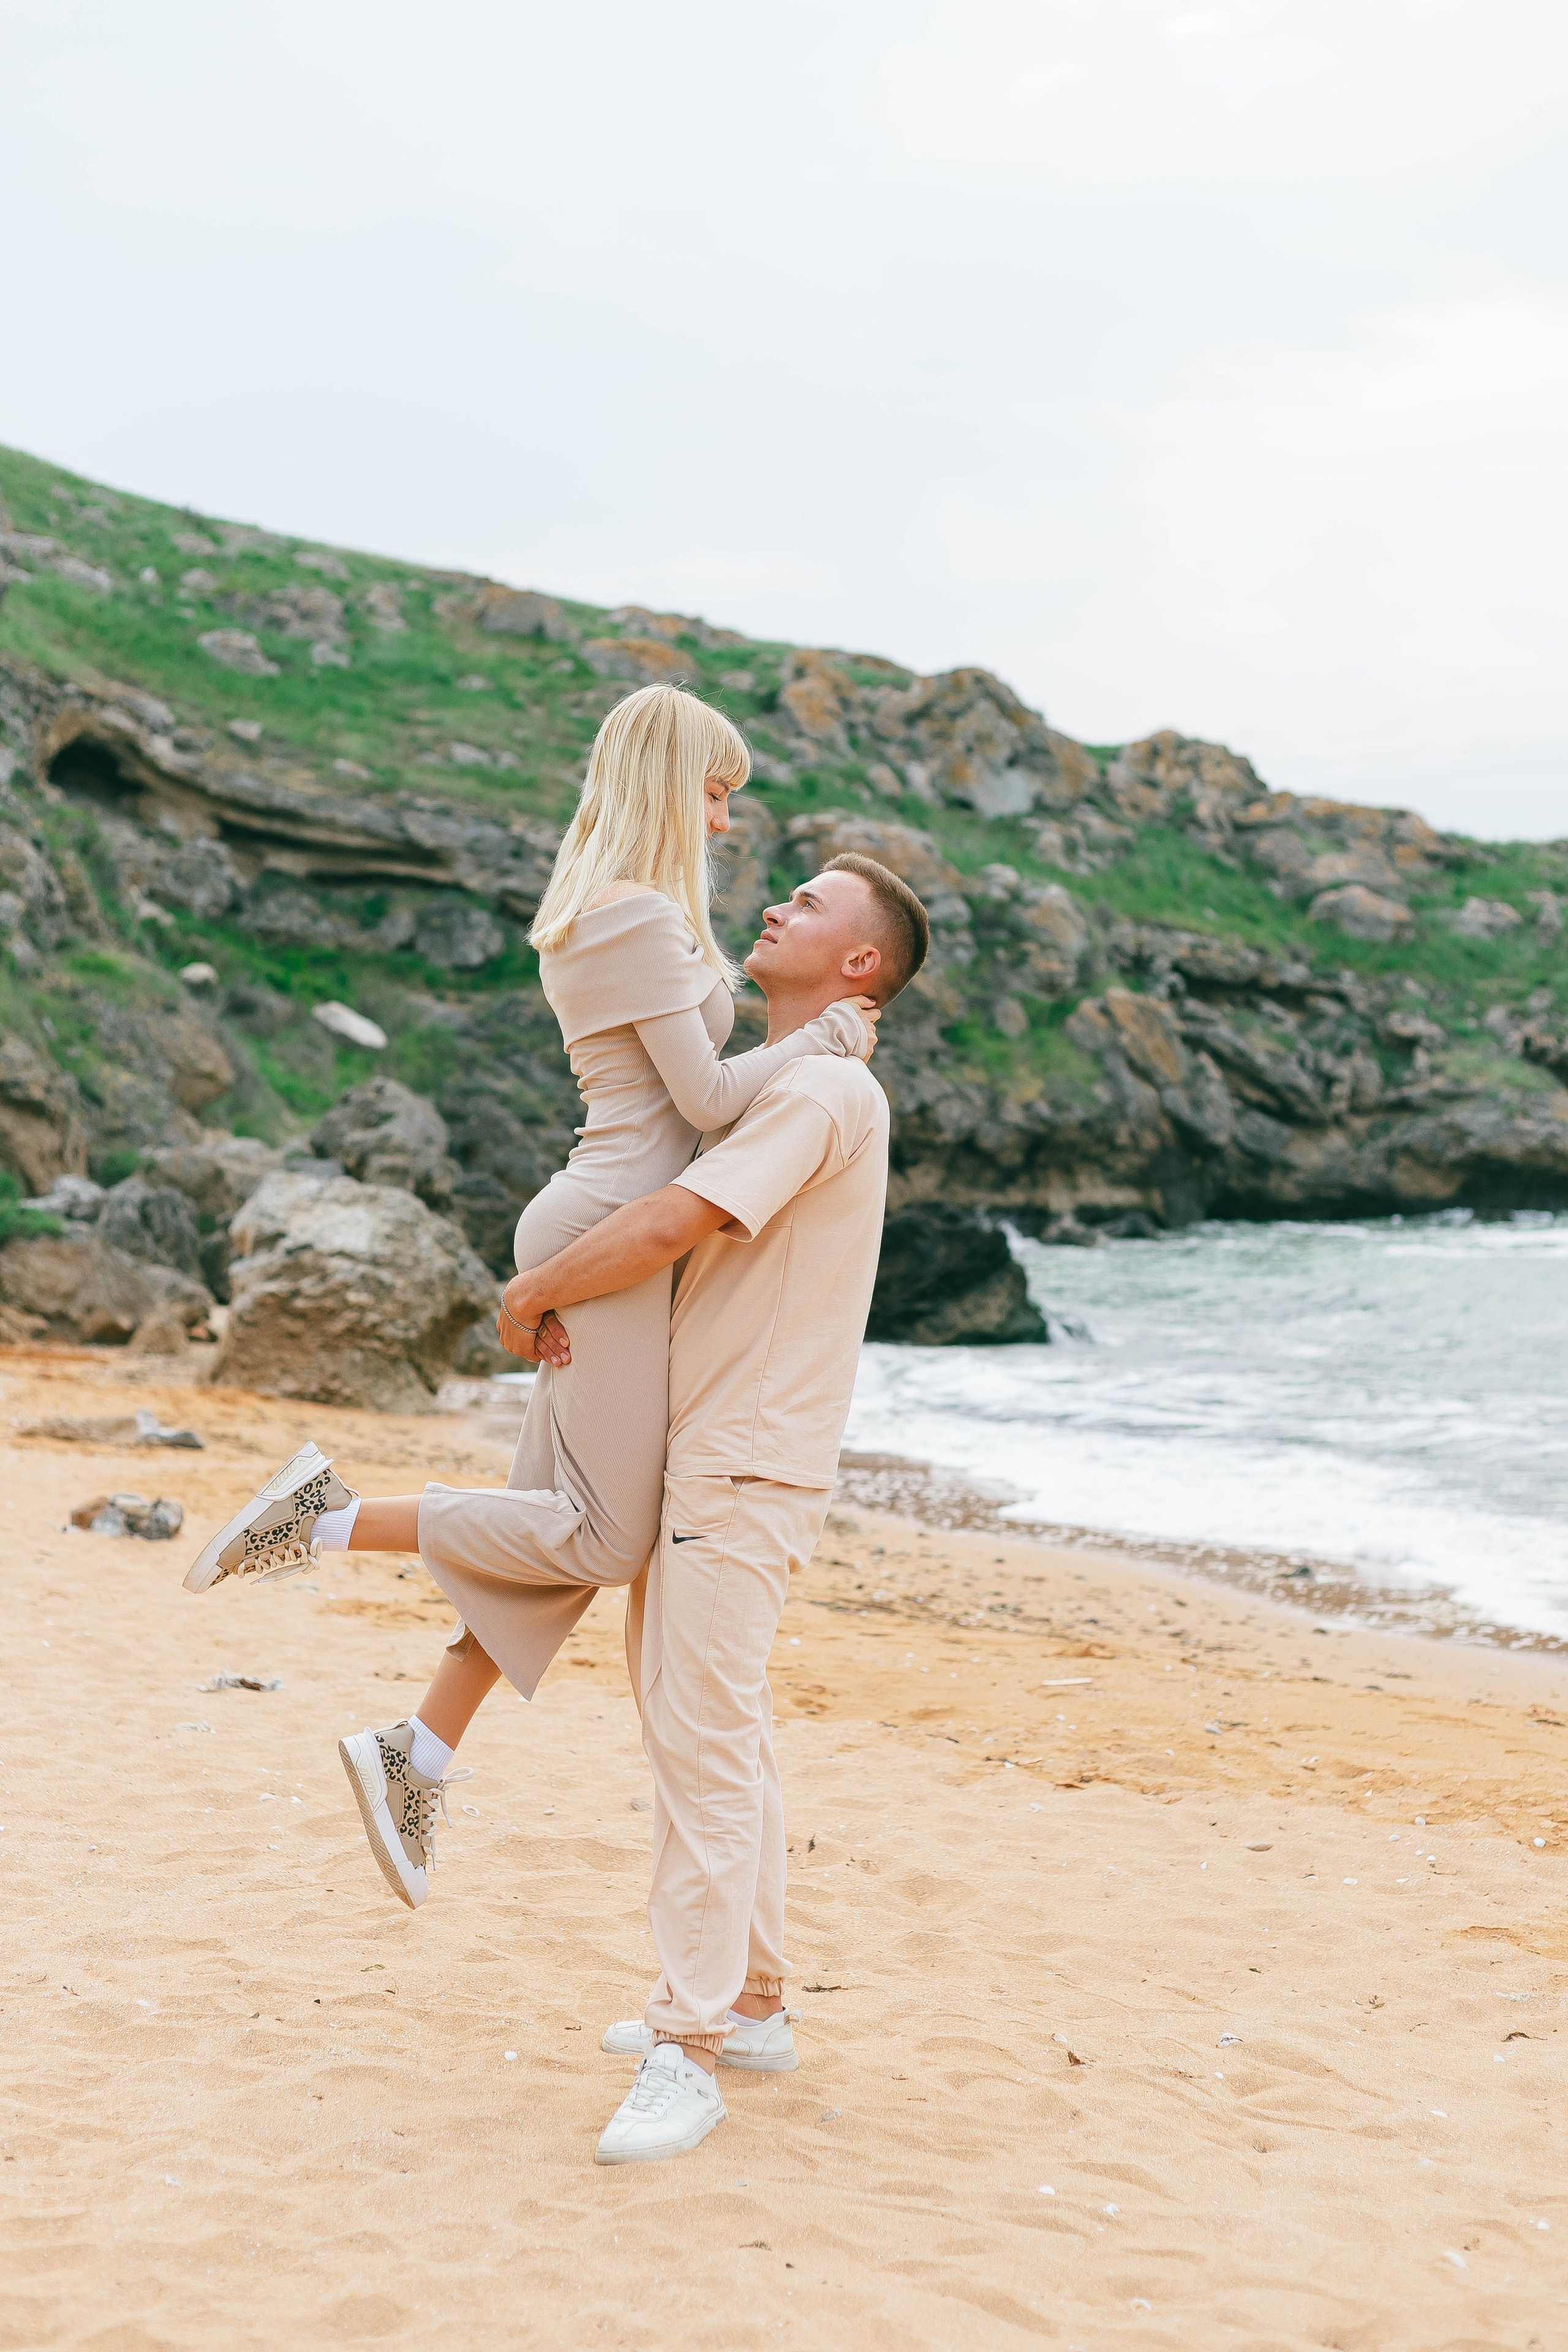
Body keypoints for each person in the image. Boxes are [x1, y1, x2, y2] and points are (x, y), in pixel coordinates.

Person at [181, 685, 876, 1911]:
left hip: (607, 1226)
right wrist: (821, 1043)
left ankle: (418, 1752)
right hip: (607, 1233)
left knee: (552, 1527)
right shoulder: (637, 919)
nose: (725, 823)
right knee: (603, 1537)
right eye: (716, 794)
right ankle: (324, 1517)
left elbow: (691, 1103)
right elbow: (710, 1104)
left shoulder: (625, 912)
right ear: (668, 781)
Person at [478, 851, 930, 2165]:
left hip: (741, 1463)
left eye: (811, 905)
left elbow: (673, 1220)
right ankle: (755, 2004)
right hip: (720, 1455)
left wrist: (532, 1292)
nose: (776, 904)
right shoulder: (793, 1080)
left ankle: (691, 2046)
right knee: (718, 1732)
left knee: (703, 1748)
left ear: (860, 964)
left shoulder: (825, 1092)